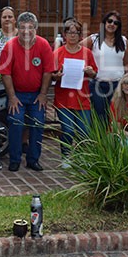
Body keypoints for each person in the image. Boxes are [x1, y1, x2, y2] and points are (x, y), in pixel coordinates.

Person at [0, 11, 54, 172]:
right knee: (15, 122)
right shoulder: (10, 46)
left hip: (37, 95)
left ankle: (33, 159)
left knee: (38, 123)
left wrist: (43, 94)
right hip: (17, 94)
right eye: (22, 27)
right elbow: (5, 73)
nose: (26, 31)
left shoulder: (43, 45)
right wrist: (12, 97)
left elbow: (48, 71)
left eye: (30, 27)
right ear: (18, 28)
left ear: (35, 29)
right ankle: (14, 159)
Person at [52, 18, 97, 161]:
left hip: (82, 98)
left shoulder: (87, 53)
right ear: (64, 35)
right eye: (69, 32)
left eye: (76, 32)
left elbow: (95, 73)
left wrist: (90, 72)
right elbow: (51, 75)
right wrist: (56, 76)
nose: (72, 35)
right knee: (68, 129)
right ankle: (66, 155)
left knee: (84, 130)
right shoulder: (58, 53)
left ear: (80, 35)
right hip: (63, 98)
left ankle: (81, 157)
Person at [80, 10, 128, 120]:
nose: (112, 24)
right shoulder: (94, 39)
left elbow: (127, 63)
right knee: (100, 117)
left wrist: (126, 82)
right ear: (104, 22)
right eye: (109, 21)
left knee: (116, 116)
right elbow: (77, 50)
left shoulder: (123, 41)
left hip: (117, 84)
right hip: (98, 84)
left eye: (116, 23)